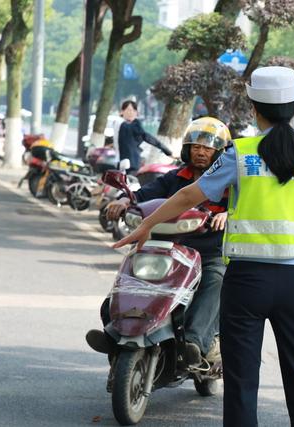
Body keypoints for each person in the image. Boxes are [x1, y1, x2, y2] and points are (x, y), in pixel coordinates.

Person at [112, 66, 294, 427]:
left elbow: (188, 194)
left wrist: (147, 225)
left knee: (242, 380)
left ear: (253, 108)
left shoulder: (241, 154)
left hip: (246, 281)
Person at [86, 116, 231, 366]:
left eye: (207, 148)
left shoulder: (228, 183)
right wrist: (123, 200)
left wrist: (229, 214)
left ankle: (193, 343)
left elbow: (245, 208)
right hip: (167, 249)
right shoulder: (173, 178)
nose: (200, 153)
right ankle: (114, 331)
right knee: (129, 275)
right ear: (187, 149)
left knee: (215, 280)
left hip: (209, 253)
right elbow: (144, 195)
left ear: (218, 153)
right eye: (196, 147)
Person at [117, 100, 172, 174]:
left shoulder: (133, 126)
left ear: (136, 112)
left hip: (131, 164)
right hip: (122, 163)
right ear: (122, 111)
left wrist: (166, 150)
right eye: (128, 110)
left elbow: (147, 137)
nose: (131, 113)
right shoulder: (122, 124)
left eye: (134, 110)